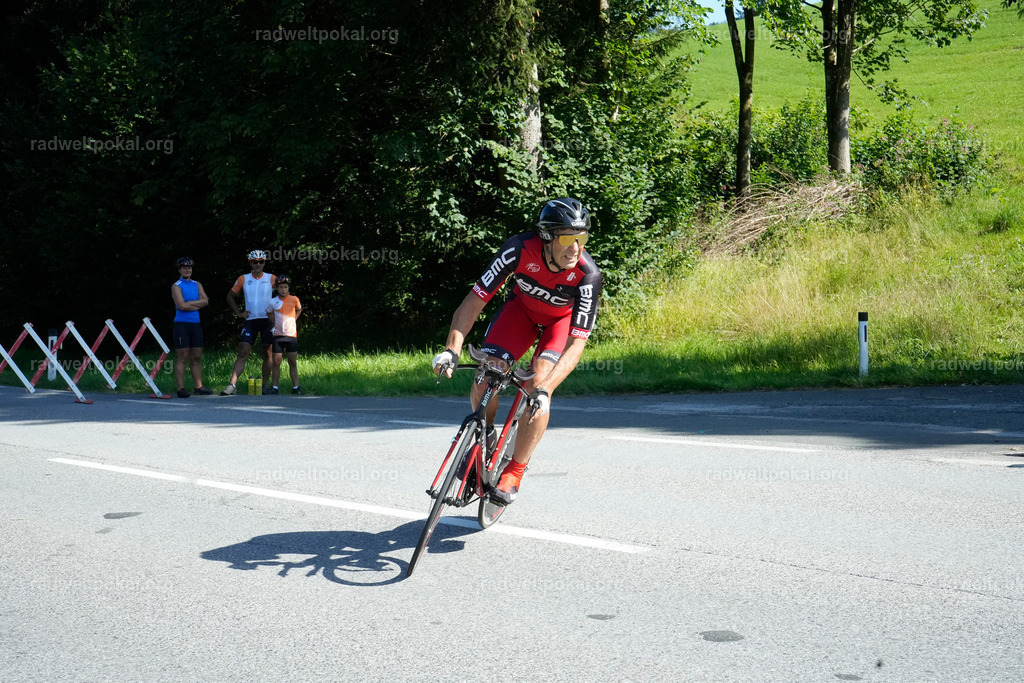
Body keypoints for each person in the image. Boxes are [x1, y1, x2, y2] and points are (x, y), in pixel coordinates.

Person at [432, 197, 602, 505]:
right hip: (521, 313)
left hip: (559, 325)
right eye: (567, 238)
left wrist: (547, 390)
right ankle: (484, 434)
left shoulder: (588, 275)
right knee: (487, 375)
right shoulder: (519, 249)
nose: (576, 248)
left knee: (537, 389)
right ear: (547, 237)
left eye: (582, 238)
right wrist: (452, 350)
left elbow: (577, 345)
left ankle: (515, 470)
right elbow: (473, 302)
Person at [221, 250, 276, 396]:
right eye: (255, 262)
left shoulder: (272, 278)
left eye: (261, 261)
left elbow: (284, 295)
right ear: (250, 263)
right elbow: (230, 296)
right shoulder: (243, 279)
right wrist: (239, 313)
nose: (258, 264)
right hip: (251, 320)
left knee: (268, 353)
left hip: (267, 321)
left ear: (264, 263)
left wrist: (279, 314)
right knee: (243, 352)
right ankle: (232, 385)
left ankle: (264, 385)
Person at [170, 257, 213, 398]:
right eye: (184, 267)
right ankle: (180, 388)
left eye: (189, 268)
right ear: (179, 270)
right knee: (182, 356)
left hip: (195, 324)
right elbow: (181, 305)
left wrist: (190, 304)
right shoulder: (176, 286)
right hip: (182, 324)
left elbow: (206, 301)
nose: (187, 270)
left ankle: (198, 386)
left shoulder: (197, 284)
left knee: (196, 357)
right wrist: (197, 304)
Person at [266, 275, 304, 395]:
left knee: (292, 362)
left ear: (288, 288)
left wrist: (293, 320)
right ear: (277, 288)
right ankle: (275, 387)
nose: (283, 289)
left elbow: (299, 309)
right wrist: (274, 322)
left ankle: (296, 387)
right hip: (278, 335)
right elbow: (269, 312)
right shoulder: (273, 301)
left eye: (286, 287)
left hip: (291, 336)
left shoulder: (294, 299)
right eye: (281, 287)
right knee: (276, 362)